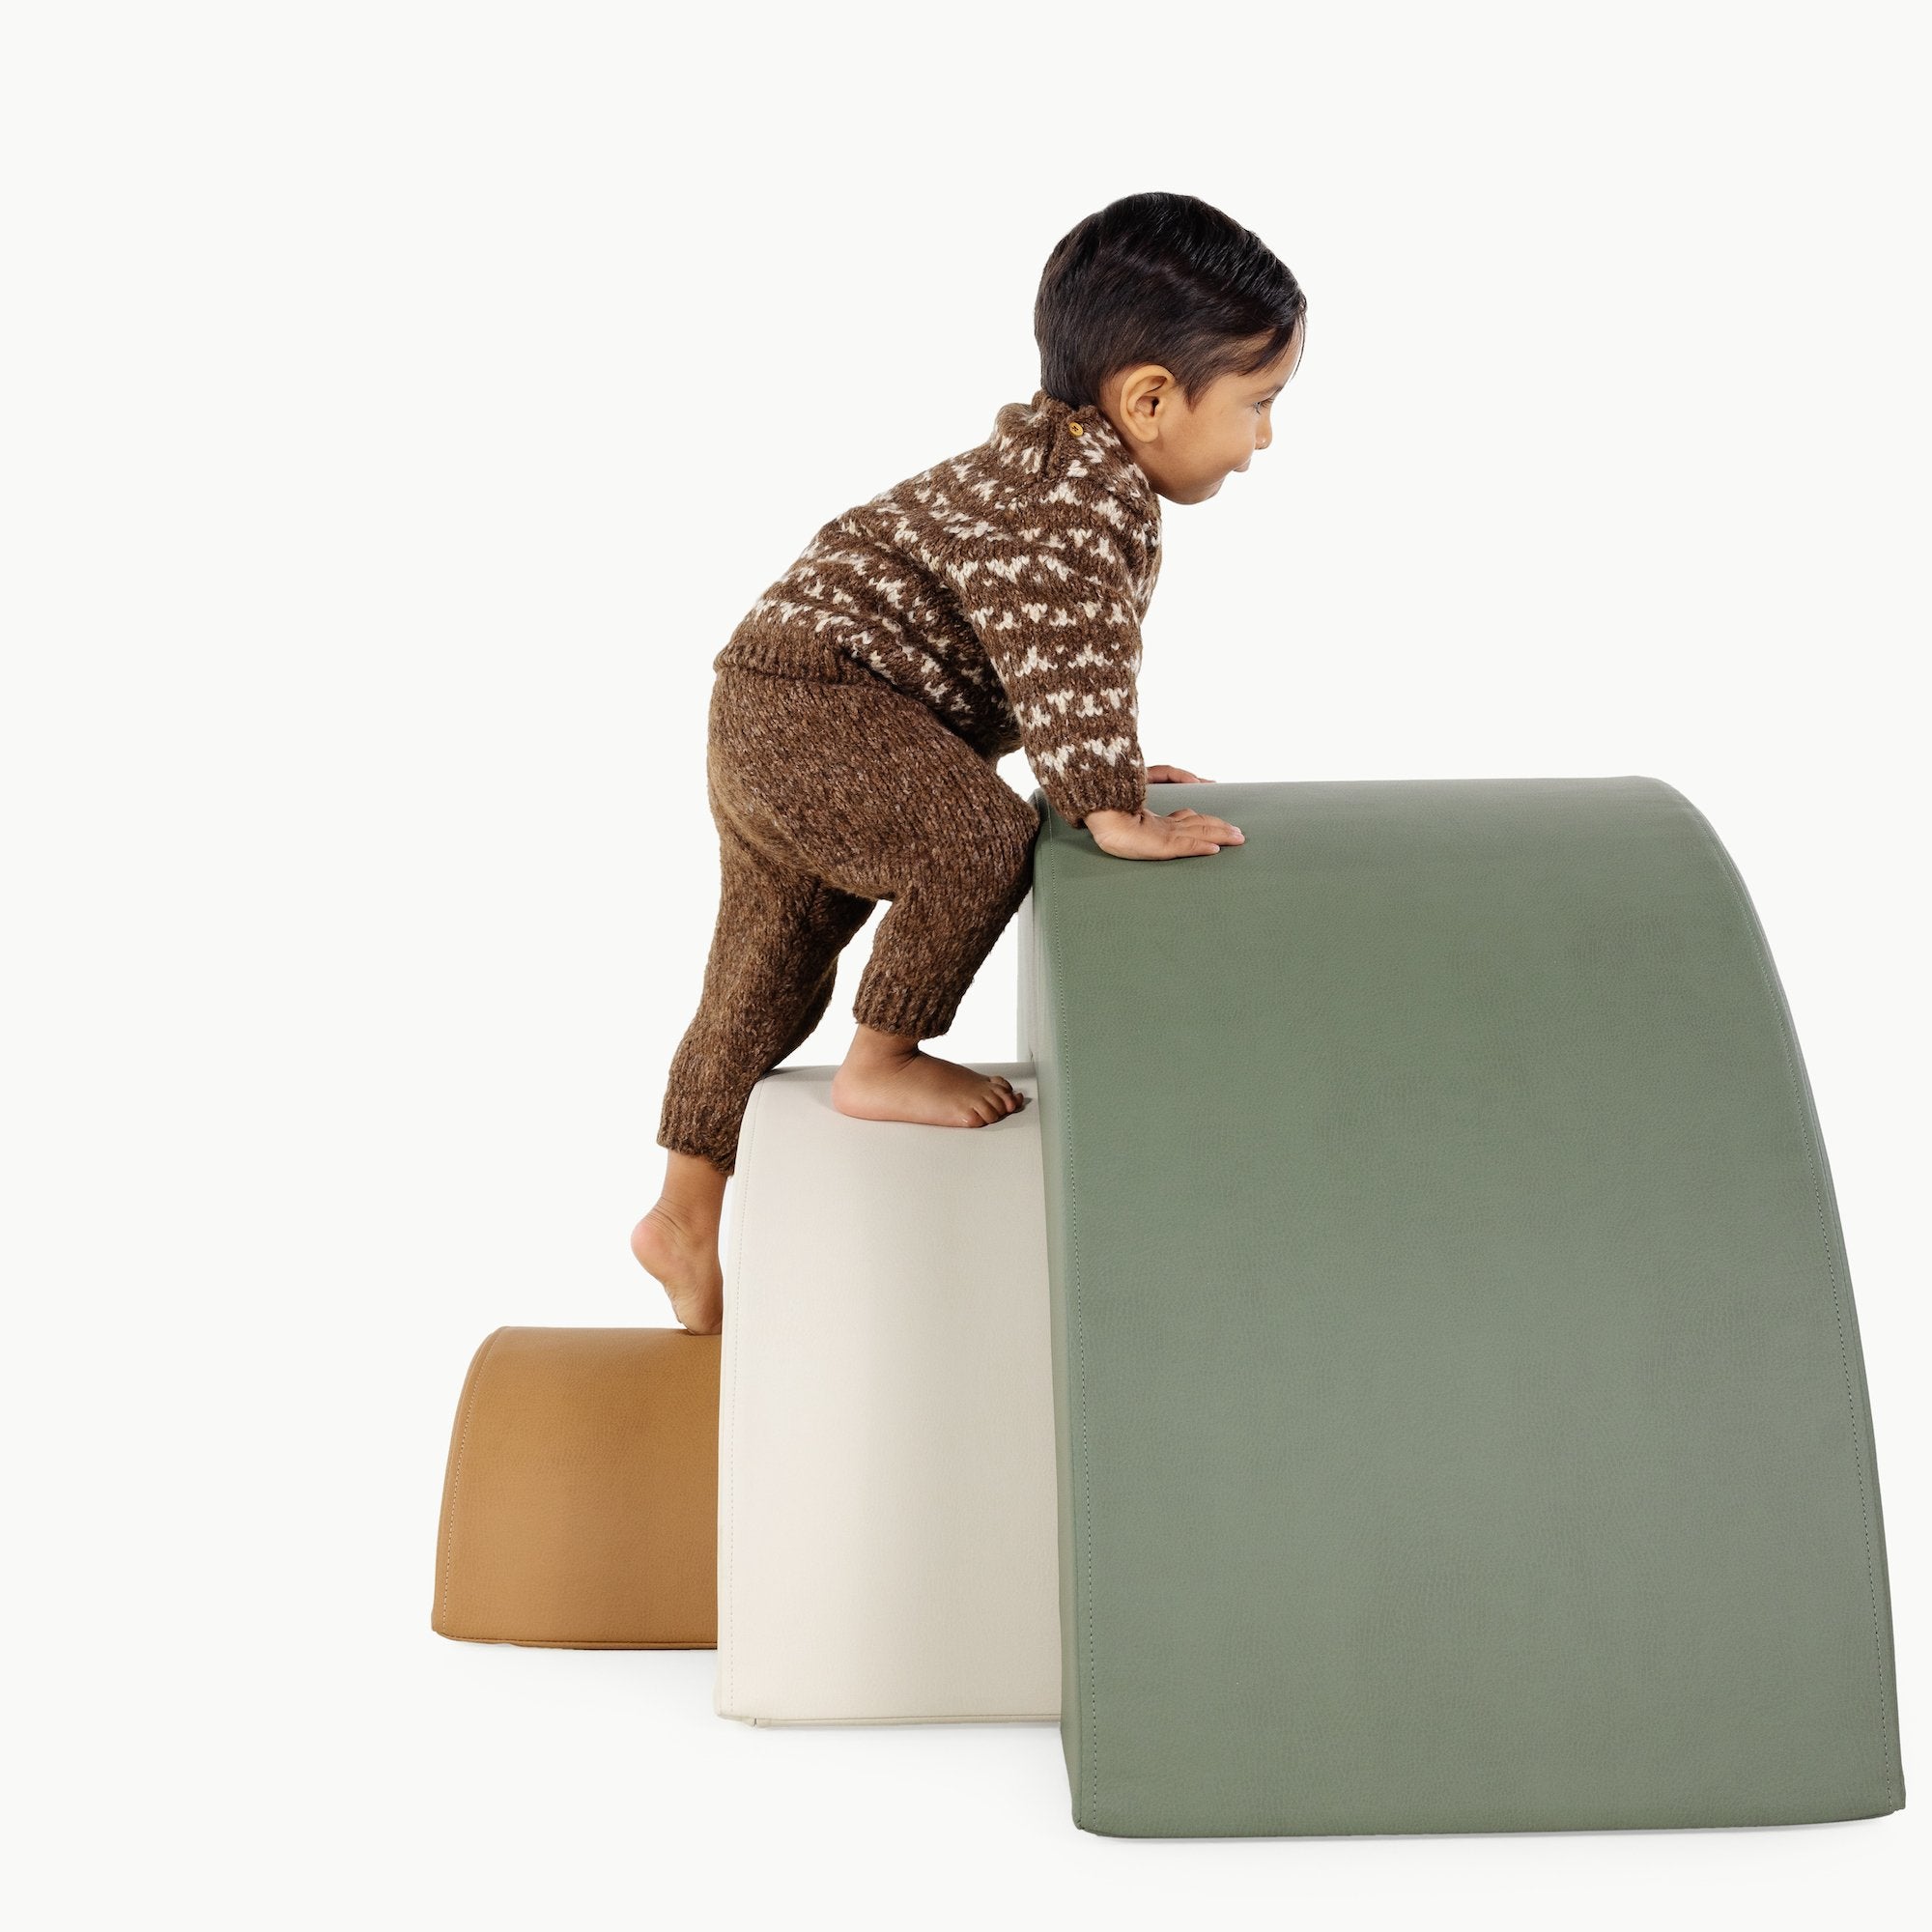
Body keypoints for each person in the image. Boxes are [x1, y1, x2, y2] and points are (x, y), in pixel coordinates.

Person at [634, 190, 1307, 1334]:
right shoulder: (1070, 495)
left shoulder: (1047, 468)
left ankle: (681, 1212)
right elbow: (1062, 639)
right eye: (1258, 403)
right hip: (821, 701)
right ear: (1149, 400)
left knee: (769, 962)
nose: (1265, 439)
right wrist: (1106, 800)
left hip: (767, 699)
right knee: (979, 839)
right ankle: (882, 1059)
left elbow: (1044, 655)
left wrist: (1106, 763)